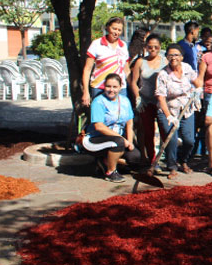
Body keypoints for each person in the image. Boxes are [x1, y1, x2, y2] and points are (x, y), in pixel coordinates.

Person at [80, 73, 142, 183]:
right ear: (104, 86)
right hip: (96, 138)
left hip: (116, 139)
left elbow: (129, 123)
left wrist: (130, 142)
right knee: (118, 142)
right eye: (108, 86)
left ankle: (105, 160)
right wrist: (123, 139)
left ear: (120, 87)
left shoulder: (125, 101)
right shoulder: (98, 101)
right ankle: (110, 171)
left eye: (115, 87)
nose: (111, 90)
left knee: (135, 157)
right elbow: (99, 127)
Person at [155, 44, 198, 179]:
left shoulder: (187, 68)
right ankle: (172, 165)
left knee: (189, 140)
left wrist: (198, 90)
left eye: (176, 55)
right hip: (168, 110)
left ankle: (183, 160)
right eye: (170, 55)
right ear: (166, 57)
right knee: (171, 139)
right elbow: (161, 97)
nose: (173, 58)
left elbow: (196, 82)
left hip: (186, 109)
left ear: (182, 57)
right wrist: (168, 116)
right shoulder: (163, 74)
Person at [129, 34, 167, 163]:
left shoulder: (165, 61)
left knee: (164, 130)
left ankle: (165, 157)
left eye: (156, 47)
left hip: (160, 101)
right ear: (146, 47)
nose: (153, 49)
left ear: (160, 47)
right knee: (148, 131)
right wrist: (137, 98)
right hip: (145, 101)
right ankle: (151, 158)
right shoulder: (141, 62)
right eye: (150, 47)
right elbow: (134, 82)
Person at [81, 17, 130, 107]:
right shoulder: (97, 44)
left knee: (120, 117)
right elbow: (87, 69)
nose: (116, 32)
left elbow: (126, 70)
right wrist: (86, 92)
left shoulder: (123, 46)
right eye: (114, 28)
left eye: (119, 30)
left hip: (120, 89)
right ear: (107, 28)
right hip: (99, 87)